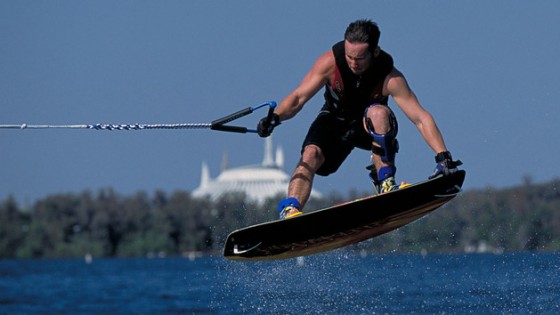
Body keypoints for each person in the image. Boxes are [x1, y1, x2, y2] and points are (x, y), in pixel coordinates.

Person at [257, 19, 461, 219]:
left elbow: (420, 118)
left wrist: (443, 157)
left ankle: (386, 183)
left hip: (368, 129)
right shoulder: (329, 63)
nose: (353, 63)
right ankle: (290, 210)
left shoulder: (390, 76)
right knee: (310, 154)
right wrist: (275, 118)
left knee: (379, 113)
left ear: (375, 52)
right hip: (333, 122)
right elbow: (298, 98)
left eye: (360, 58)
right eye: (349, 57)